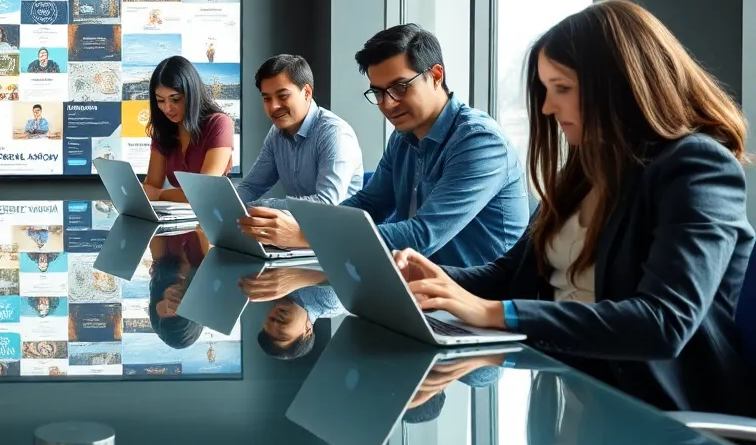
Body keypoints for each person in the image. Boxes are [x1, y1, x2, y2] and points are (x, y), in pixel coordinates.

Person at [393, 0, 756, 420]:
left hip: (664, 420)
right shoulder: (585, 169)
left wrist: (494, 314)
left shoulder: (698, 168)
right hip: (573, 394)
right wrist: (434, 281)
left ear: (618, 86)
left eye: (561, 88)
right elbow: (511, 275)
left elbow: (662, 323)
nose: (547, 107)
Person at [238, 24, 528, 267]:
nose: (387, 104)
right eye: (378, 93)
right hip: (413, 285)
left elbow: (423, 234)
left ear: (436, 76)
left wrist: (307, 235)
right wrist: (300, 227)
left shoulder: (479, 141)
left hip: (477, 301)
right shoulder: (403, 138)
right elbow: (369, 204)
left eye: (400, 87)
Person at [235, 54, 364, 210]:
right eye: (267, 99)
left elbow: (328, 203)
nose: (274, 107)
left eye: (283, 96)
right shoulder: (276, 134)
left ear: (307, 92)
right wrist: (226, 205)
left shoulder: (335, 134)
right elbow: (251, 187)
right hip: (297, 224)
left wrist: (263, 206)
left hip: (336, 224)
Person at [141, 56, 234, 203]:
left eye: (175, 99)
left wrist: (159, 194)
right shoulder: (163, 128)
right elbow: (150, 186)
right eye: (160, 100)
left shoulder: (219, 123)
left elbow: (203, 193)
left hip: (211, 213)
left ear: (192, 94)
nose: (167, 108)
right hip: (180, 213)